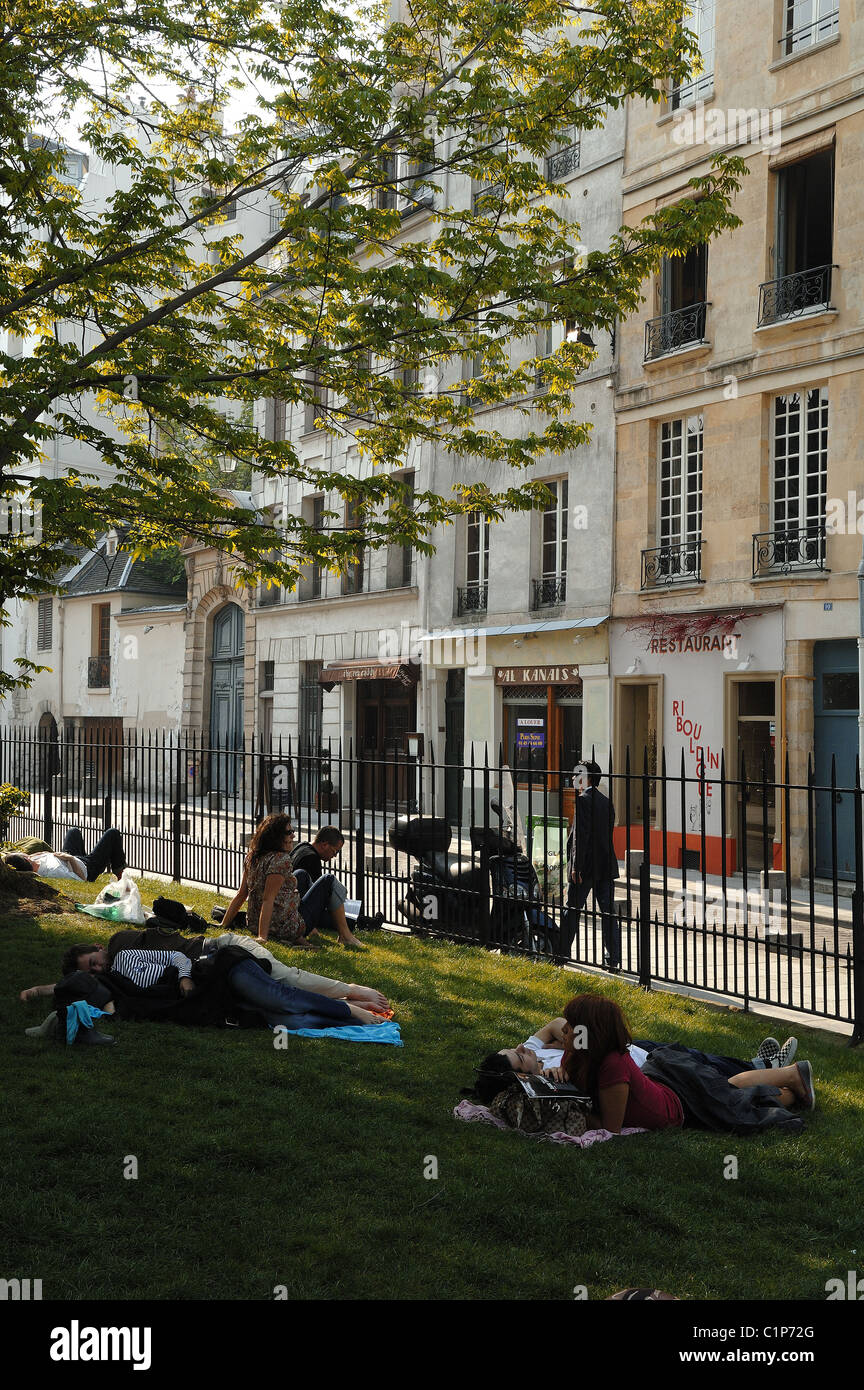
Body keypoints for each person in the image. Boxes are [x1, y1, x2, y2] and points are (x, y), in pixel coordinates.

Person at [559, 994, 813, 1135]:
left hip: (679, 1107)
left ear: (588, 1033)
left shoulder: (611, 1064)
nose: (563, 1030)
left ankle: (793, 1080)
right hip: (664, 1080)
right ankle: (789, 1078)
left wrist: (570, 1111)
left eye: (570, 1026)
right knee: (729, 1089)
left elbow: (610, 1128)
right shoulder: (574, 1055)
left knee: (738, 1103)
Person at [49, 944, 386, 1040]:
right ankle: (342, 1011)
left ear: (99, 950)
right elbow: (75, 988)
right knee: (287, 1021)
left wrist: (183, 978)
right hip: (214, 997)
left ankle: (349, 1008)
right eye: (90, 970)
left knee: (280, 996)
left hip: (223, 969)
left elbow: (177, 957)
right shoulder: (112, 988)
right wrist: (37, 990)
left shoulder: (125, 956)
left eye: (94, 961)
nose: (97, 969)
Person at [472, 1016, 783, 1105]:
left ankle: (760, 1065)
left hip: (634, 1048)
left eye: (515, 1048)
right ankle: (765, 1069)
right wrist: (569, 1050)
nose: (523, 1049)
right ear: (522, 1077)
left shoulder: (537, 1052)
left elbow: (557, 1022)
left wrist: (565, 1042)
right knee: (703, 1068)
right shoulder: (549, 1078)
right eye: (518, 1057)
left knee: (700, 1056)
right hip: (644, 1065)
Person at [220, 813, 364, 950]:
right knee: (329, 880)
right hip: (284, 928)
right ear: (276, 836)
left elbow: (241, 894)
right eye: (289, 832)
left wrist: (224, 924)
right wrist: (262, 936)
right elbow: (267, 899)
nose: (293, 835)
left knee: (301, 874)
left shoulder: (252, 857)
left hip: (253, 922)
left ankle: (340, 924)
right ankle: (345, 935)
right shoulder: (280, 860)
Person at [565, 761, 620, 972]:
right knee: (608, 913)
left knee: (572, 909)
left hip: (585, 868)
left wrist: (576, 867)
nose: (572, 778)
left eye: (577, 774)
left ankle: (562, 951)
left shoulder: (583, 801)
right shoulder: (606, 801)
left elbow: (581, 836)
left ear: (587, 778)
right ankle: (613, 959)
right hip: (605, 865)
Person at [290, 827, 384, 935]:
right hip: (302, 908)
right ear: (324, 844)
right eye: (335, 851)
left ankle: (366, 921)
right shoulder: (311, 858)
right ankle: (365, 923)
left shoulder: (301, 846)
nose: (334, 856)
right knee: (339, 916)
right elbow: (318, 895)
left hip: (296, 904)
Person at [20, 826, 127, 883]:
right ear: (27, 862)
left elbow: (44, 853)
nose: (26, 855)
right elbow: (82, 879)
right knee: (112, 833)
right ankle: (119, 873)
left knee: (73, 831)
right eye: (25, 857)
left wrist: (49, 853)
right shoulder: (53, 871)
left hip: (69, 858)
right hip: (87, 867)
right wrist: (69, 858)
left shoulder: (33, 859)